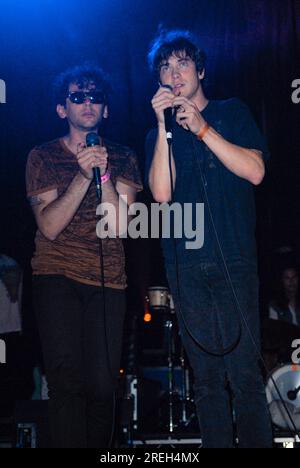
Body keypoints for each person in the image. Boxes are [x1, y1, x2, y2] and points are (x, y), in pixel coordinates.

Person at [145, 30, 273, 448]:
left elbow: (255, 171)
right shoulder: (156, 134)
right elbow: (162, 194)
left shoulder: (231, 111)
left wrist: (202, 130)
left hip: (234, 259)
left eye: (182, 63)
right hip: (186, 267)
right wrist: (164, 126)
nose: (173, 73)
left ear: (200, 69)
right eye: (165, 66)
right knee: (206, 382)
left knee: (245, 377)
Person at [26, 63, 143, 448]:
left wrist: (103, 174)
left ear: (106, 110)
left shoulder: (123, 156)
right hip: (56, 276)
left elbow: (122, 226)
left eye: (96, 98)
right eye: (78, 97)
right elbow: (50, 226)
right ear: (63, 109)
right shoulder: (42, 156)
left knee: (102, 386)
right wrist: (81, 174)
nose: (88, 104)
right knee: (65, 381)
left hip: (107, 279)